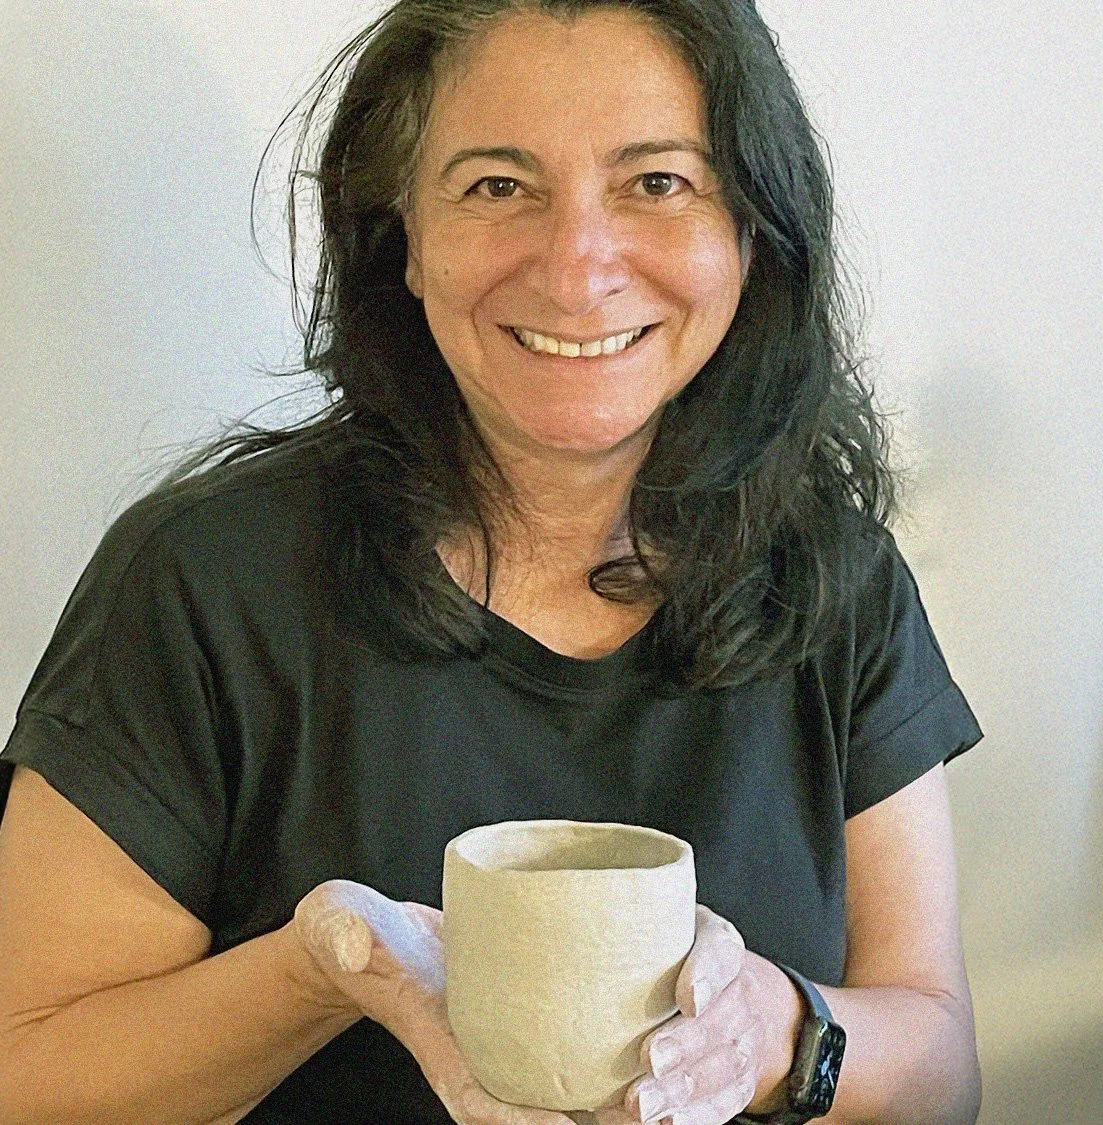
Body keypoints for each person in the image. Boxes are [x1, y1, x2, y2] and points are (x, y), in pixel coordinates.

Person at [0, 1, 984, 1122]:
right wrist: (316, 973)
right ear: (403, 238)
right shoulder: (204, 583)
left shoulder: (834, 580)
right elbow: (26, 1075)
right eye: (498, 186)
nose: (576, 267)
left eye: (656, 182)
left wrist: (780, 1032)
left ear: (752, 232)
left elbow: (941, 1077)